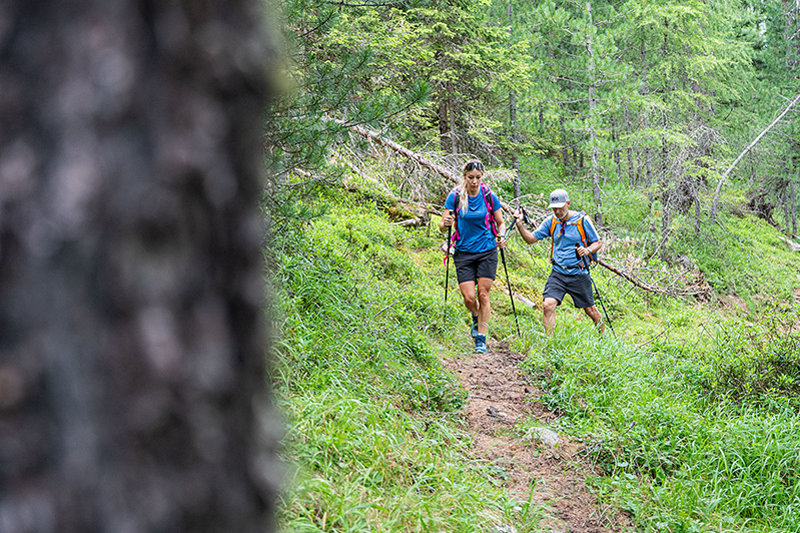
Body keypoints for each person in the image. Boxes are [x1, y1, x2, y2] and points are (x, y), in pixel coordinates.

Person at [513, 189, 604, 334]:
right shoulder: (551, 221)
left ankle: (603, 337)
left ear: (568, 204)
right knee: (548, 305)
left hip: (578, 272)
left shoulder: (582, 220)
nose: (557, 211)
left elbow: (597, 242)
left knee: (590, 310)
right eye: (554, 208)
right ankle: (551, 341)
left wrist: (587, 250)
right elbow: (530, 239)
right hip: (558, 272)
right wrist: (519, 225)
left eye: (560, 207)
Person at [439, 160, 507, 353]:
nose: (475, 181)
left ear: (482, 176)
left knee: (483, 294)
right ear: (464, 177)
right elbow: (442, 225)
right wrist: (446, 222)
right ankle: (477, 317)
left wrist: (501, 236)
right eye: (471, 177)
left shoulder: (489, 196)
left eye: (478, 177)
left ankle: (481, 338)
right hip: (463, 252)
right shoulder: (455, 197)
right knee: (469, 298)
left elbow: (500, 222)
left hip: (487, 250)